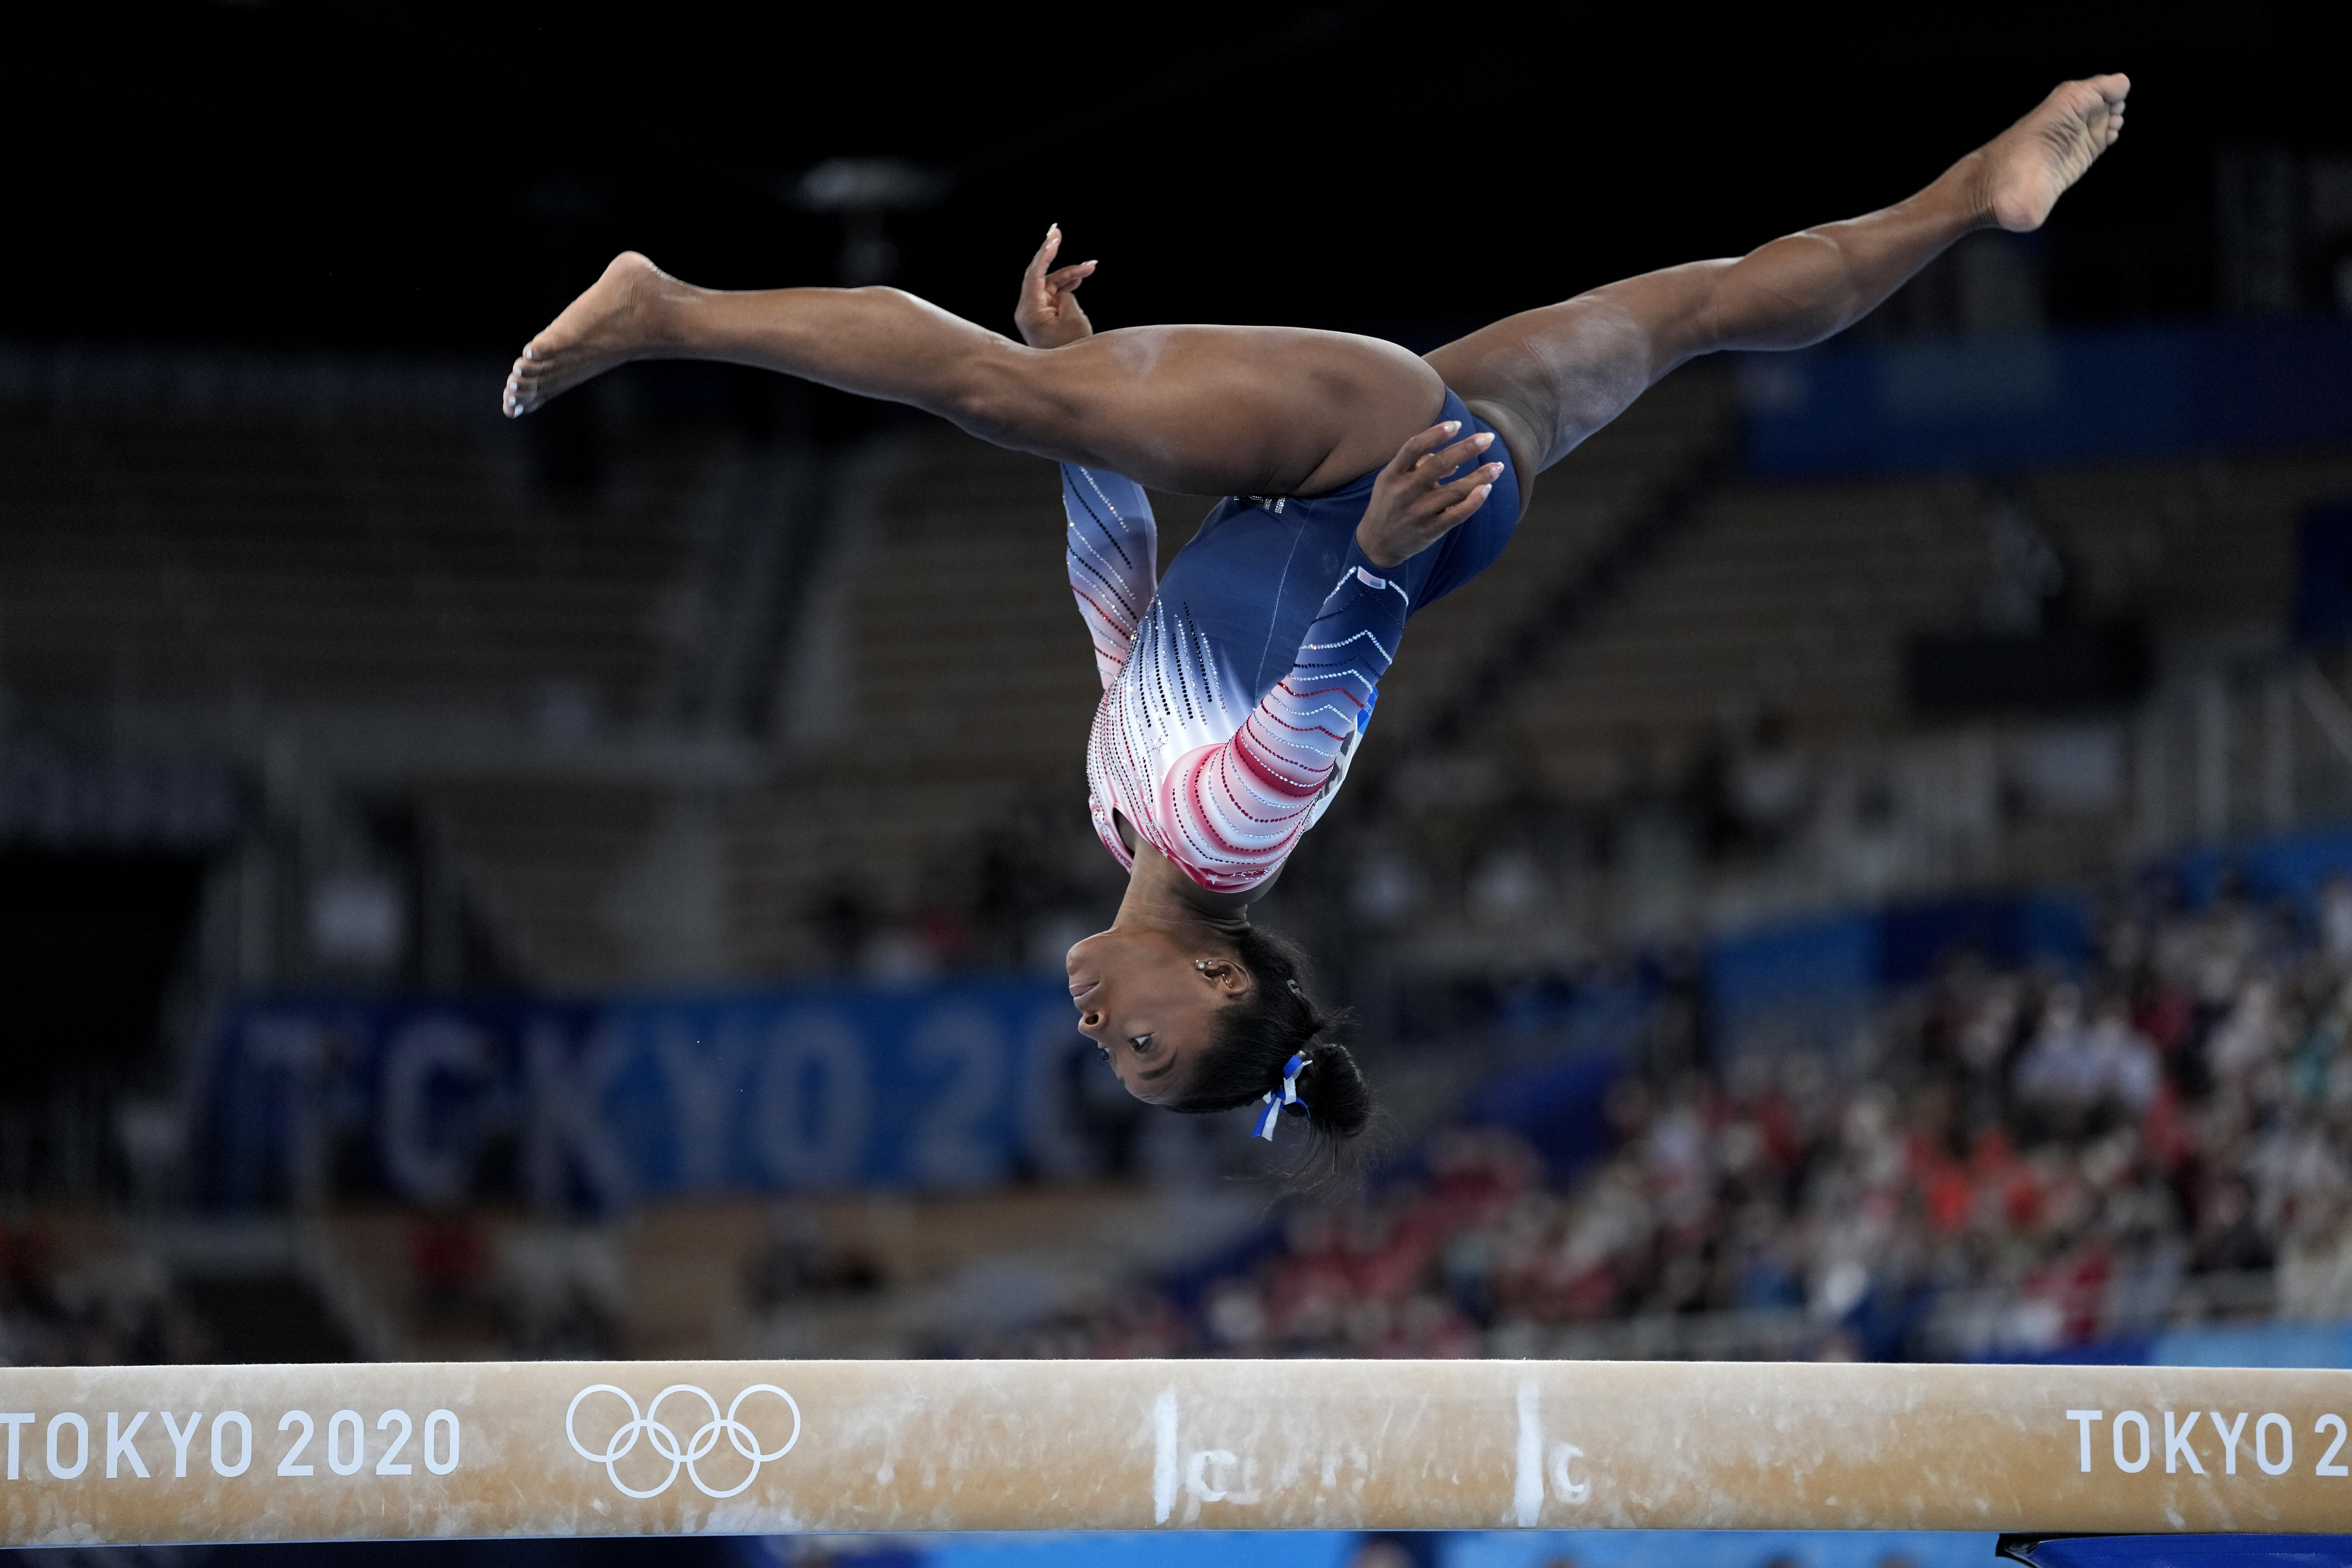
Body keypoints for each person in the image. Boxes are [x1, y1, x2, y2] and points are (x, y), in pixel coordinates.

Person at [504, 76, 2130, 1157]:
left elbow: (1119, 601)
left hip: (1415, 487)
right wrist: (1358, 546)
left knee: (1699, 311)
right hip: (1369, 480)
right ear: (1218, 988)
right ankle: (674, 308)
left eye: (1111, 1064)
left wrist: (1088, 401)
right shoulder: (1232, 841)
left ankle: (1976, 189)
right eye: (1142, 1052)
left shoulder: (1121, 806)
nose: (1101, 1035)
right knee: (996, 393)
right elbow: (1330, 694)